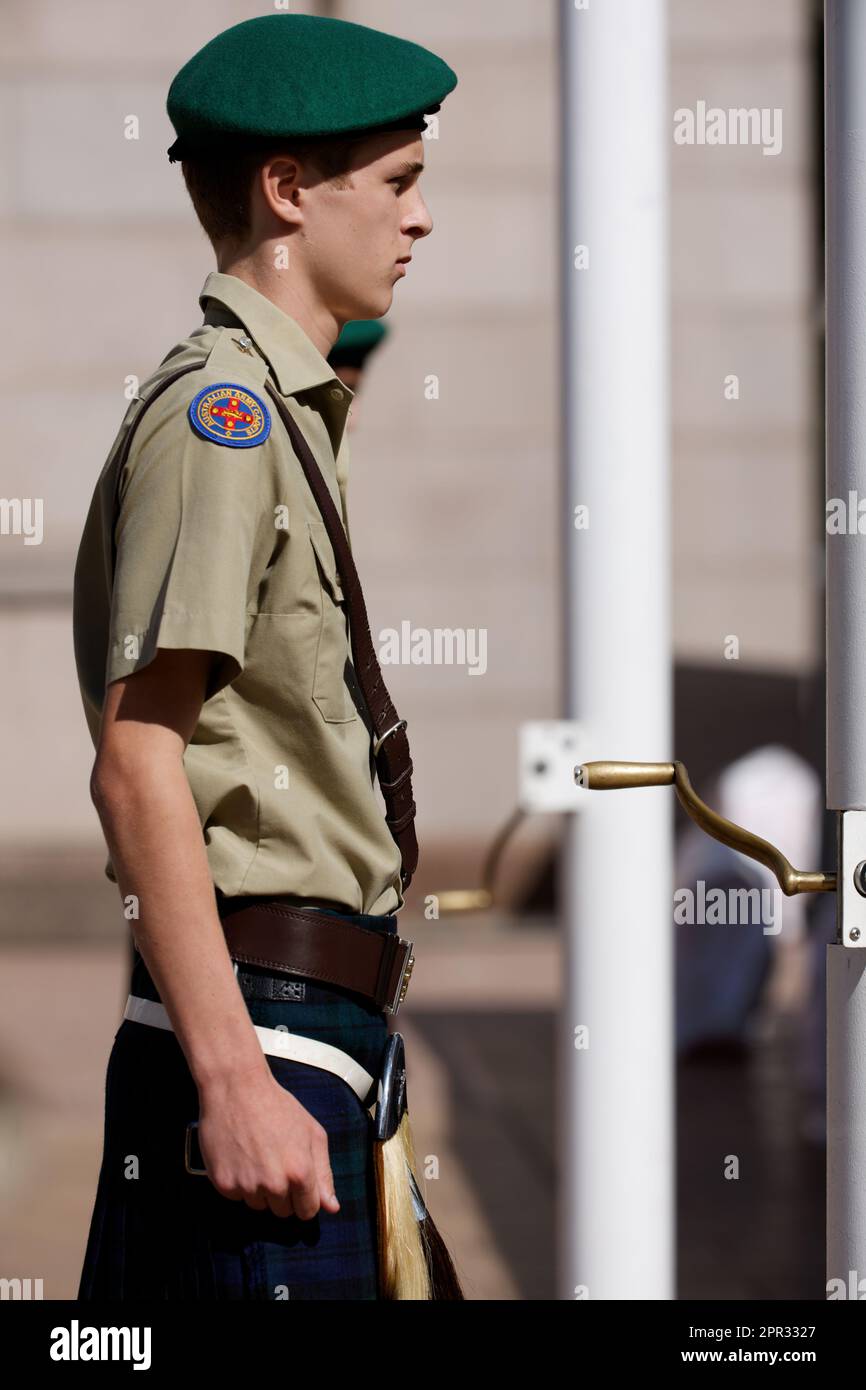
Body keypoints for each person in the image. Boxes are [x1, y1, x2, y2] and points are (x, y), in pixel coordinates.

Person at [71, 12, 458, 1301]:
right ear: (288, 192)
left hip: (304, 1024)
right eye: (397, 182)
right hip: (261, 1036)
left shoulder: (279, 405)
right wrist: (236, 1077)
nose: (420, 219)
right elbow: (137, 764)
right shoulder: (222, 417)